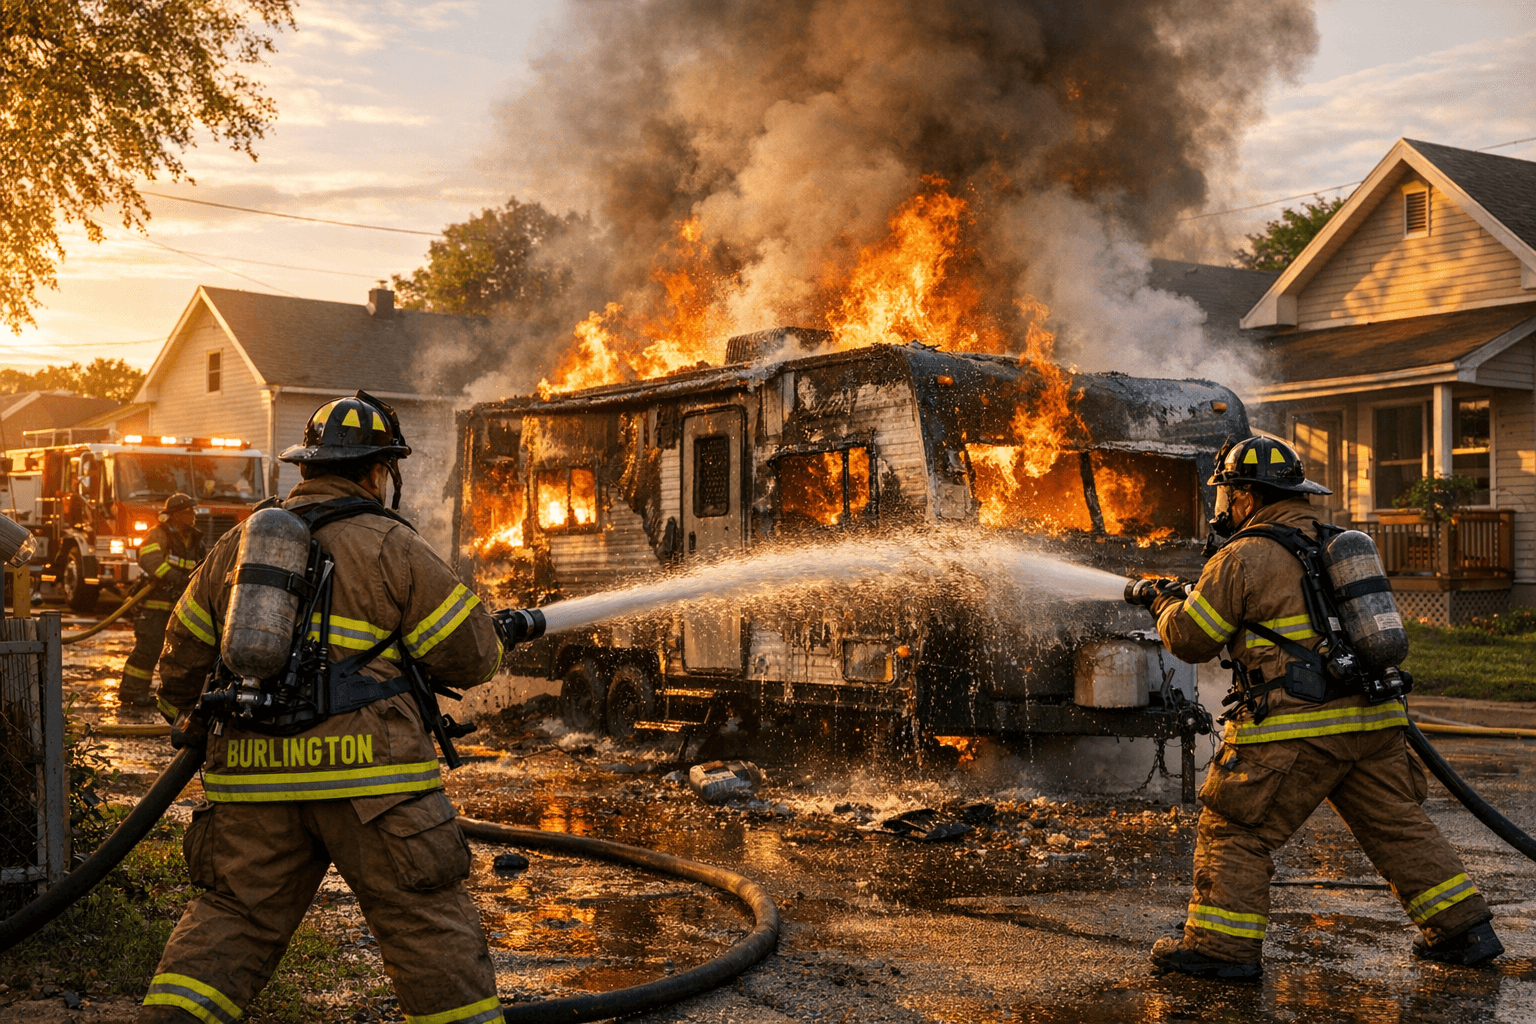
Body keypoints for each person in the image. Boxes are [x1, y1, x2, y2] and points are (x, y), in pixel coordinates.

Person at [141, 392, 506, 1024]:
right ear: (376, 472)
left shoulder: (235, 549)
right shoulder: (392, 545)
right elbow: (473, 659)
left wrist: (202, 720)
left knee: (231, 920)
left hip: (252, 785)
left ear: (306, 467)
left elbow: (176, 674)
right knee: (425, 925)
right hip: (376, 789)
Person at [1141, 435, 1501, 981]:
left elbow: (1192, 639)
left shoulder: (1242, 555)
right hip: (1376, 721)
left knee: (1235, 828)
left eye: (1227, 495)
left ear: (1244, 495)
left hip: (1296, 729)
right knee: (1398, 827)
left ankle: (1221, 949)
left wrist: (1163, 600)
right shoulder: (1335, 541)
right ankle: (1465, 932)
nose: (1224, 508)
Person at [121, 493, 205, 709]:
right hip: (154, 607)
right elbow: (149, 559)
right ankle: (132, 692)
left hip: (180, 608)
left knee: (180, 654)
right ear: (176, 515)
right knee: (148, 650)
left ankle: (172, 698)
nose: (193, 515)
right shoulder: (159, 534)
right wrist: (174, 578)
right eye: (189, 511)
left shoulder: (195, 539)